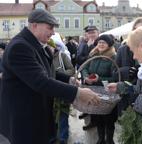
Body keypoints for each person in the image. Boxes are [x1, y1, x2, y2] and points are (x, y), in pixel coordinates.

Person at [0, 9, 100, 144]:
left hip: (37, 115)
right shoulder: (20, 47)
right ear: (34, 25)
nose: (53, 33)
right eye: (50, 28)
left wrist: (69, 79)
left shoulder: (35, 44)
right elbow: (40, 81)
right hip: (24, 119)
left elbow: (47, 72)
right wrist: (78, 93)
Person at [81, 34, 117, 144]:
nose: (101, 44)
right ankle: (101, 139)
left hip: (107, 92)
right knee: (98, 116)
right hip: (94, 91)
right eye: (99, 42)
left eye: (104, 43)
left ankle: (109, 140)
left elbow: (114, 77)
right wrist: (86, 76)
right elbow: (84, 68)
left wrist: (99, 79)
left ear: (109, 45)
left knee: (109, 118)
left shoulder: (113, 57)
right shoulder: (93, 54)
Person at [116, 17, 142, 115]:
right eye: (136, 29)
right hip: (126, 96)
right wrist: (127, 71)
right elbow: (115, 72)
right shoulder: (122, 49)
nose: (138, 33)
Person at [48, 37, 75, 144]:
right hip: (49, 92)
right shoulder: (43, 57)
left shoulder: (61, 55)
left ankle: (63, 138)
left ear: (54, 47)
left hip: (62, 89)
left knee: (63, 114)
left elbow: (71, 69)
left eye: (50, 46)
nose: (48, 49)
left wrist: (61, 74)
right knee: (51, 116)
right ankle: (53, 137)